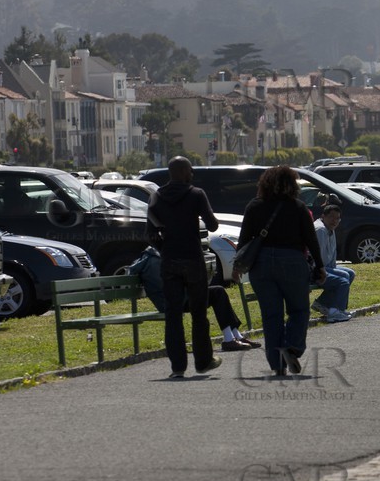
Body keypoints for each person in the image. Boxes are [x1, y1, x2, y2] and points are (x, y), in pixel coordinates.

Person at [241, 165, 324, 376]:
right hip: (292, 261)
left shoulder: (254, 206)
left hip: (261, 264)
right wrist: (320, 265)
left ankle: (277, 365)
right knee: (299, 309)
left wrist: (238, 266)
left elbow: (244, 240)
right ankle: (292, 347)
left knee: (271, 316)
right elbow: (311, 240)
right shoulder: (298, 207)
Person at [146, 156, 221, 377]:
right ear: (183, 172)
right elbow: (213, 225)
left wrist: (165, 249)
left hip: (169, 261)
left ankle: (178, 367)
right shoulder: (196, 194)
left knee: (173, 314)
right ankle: (203, 361)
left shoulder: (156, 197)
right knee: (199, 313)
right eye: (190, 170)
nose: (192, 174)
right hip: (193, 259)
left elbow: (151, 234)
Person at [130, 246, 259, 352]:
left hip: (182, 297)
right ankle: (229, 339)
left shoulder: (159, 257)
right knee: (218, 292)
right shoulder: (154, 262)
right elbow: (168, 287)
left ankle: (235, 336)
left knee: (218, 292)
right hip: (174, 302)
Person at [312, 201, 356, 323]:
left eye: (337, 218)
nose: (334, 221)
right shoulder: (320, 230)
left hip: (325, 266)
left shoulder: (329, 228)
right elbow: (319, 258)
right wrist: (330, 271)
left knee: (350, 273)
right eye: (331, 217)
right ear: (323, 216)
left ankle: (322, 304)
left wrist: (333, 269)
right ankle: (335, 312)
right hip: (315, 269)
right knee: (343, 280)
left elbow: (331, 256)